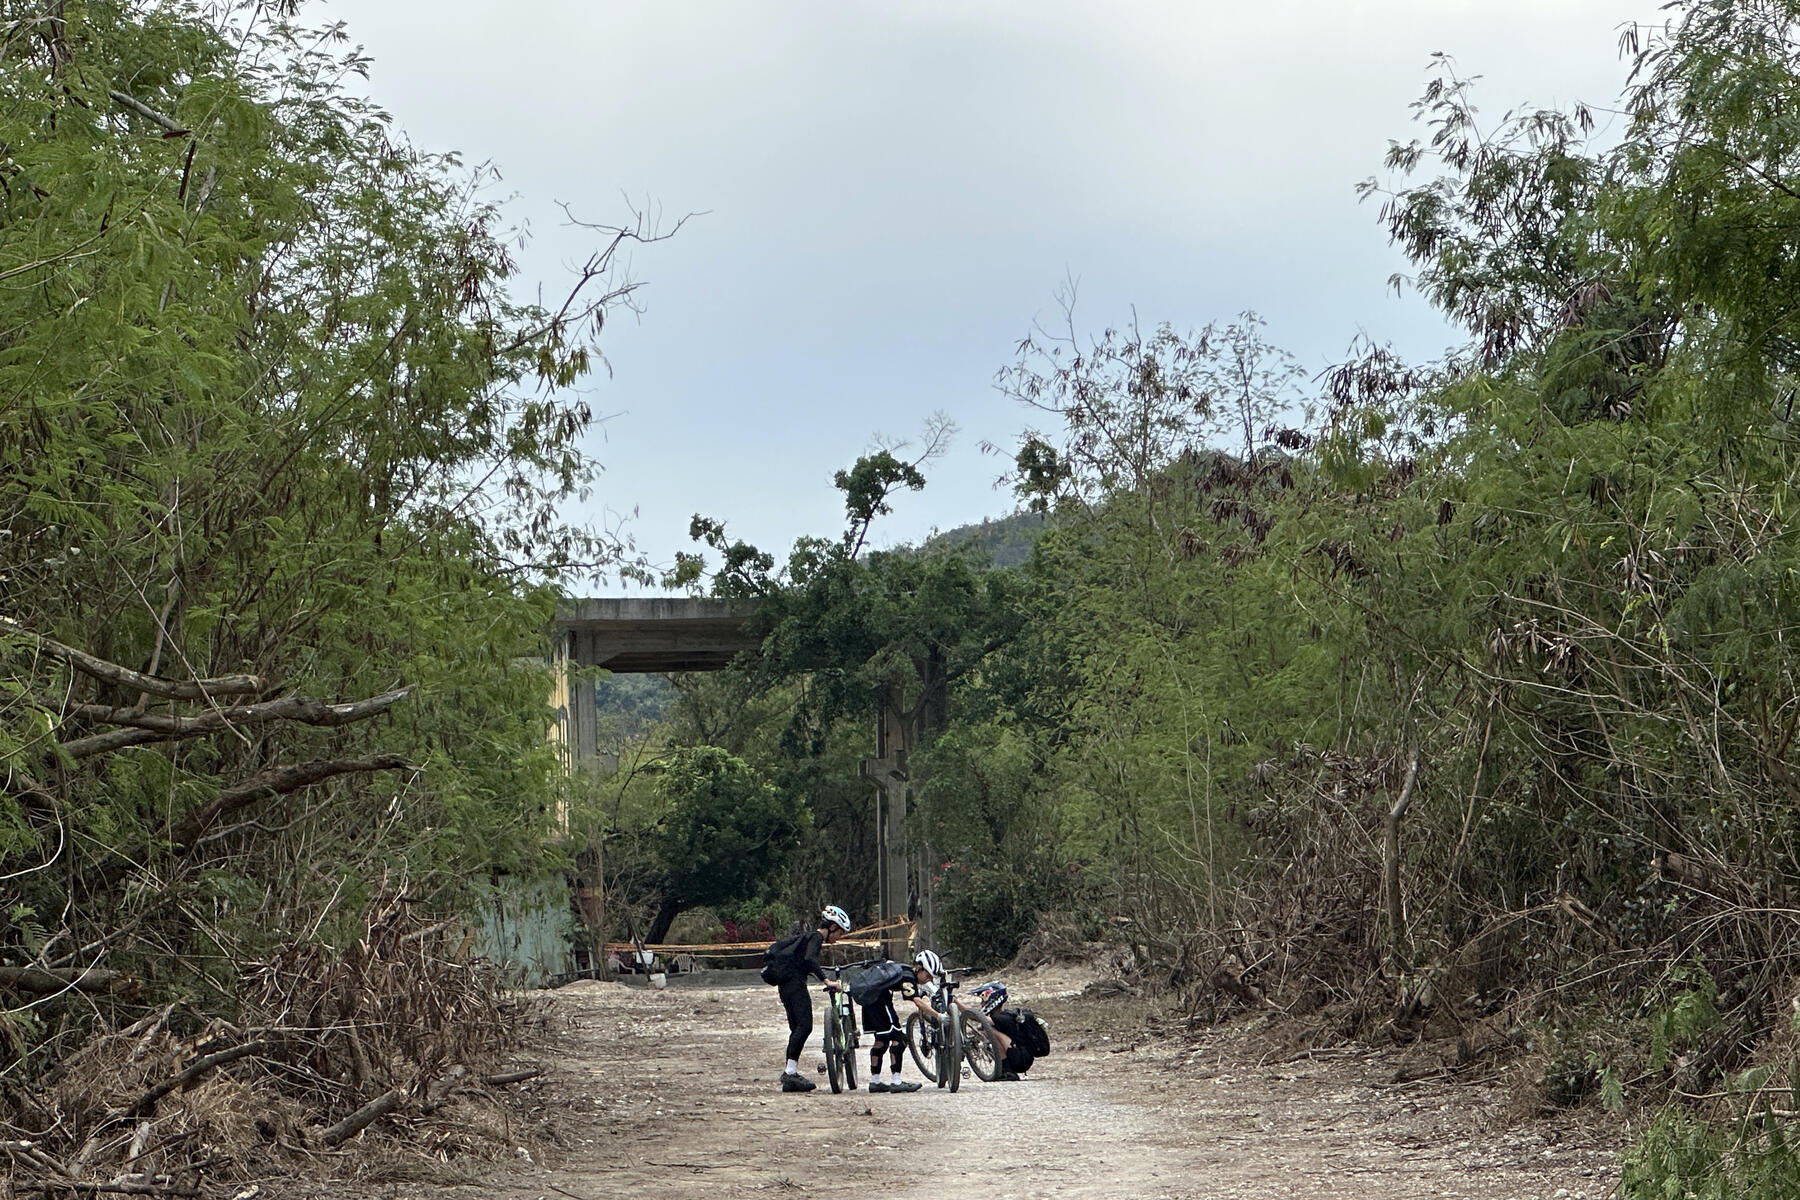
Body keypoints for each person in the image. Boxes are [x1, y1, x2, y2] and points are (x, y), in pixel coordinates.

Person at [776, 904, 852, 1093]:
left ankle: (790, 1076)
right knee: (805, 1026)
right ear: (832, 927)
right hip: (794, 984)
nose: (838, 937)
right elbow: (810, 959)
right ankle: (789, 1073)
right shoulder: (816, 937)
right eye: (839, 932)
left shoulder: (808, 937)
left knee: (797, 1028)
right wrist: (827, 981)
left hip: (785, 985)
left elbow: (806, 962)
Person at [859, 949, 943, 1093]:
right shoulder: (908, 977)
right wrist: (938, 1016)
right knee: (899, 1039)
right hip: (880, 1002)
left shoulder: (903, 969)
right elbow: (917, 1001)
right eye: (927, 976)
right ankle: (896, 1081)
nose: (928, 979)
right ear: (919, 968)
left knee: (881, 1040)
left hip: (869, 999)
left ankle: (875, 1081)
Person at [969, 981, 1037, 1080]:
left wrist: (956, 1003)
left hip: (1021, 1058)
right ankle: (1003, 1068)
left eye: (983, 999)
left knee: (990, 1031)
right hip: (1019, 1054)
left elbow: (976, 1017)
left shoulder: (1002, 1018)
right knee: (983, 1030)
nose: (981, 1003)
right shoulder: (1000, 1016)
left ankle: (1007, 1071)